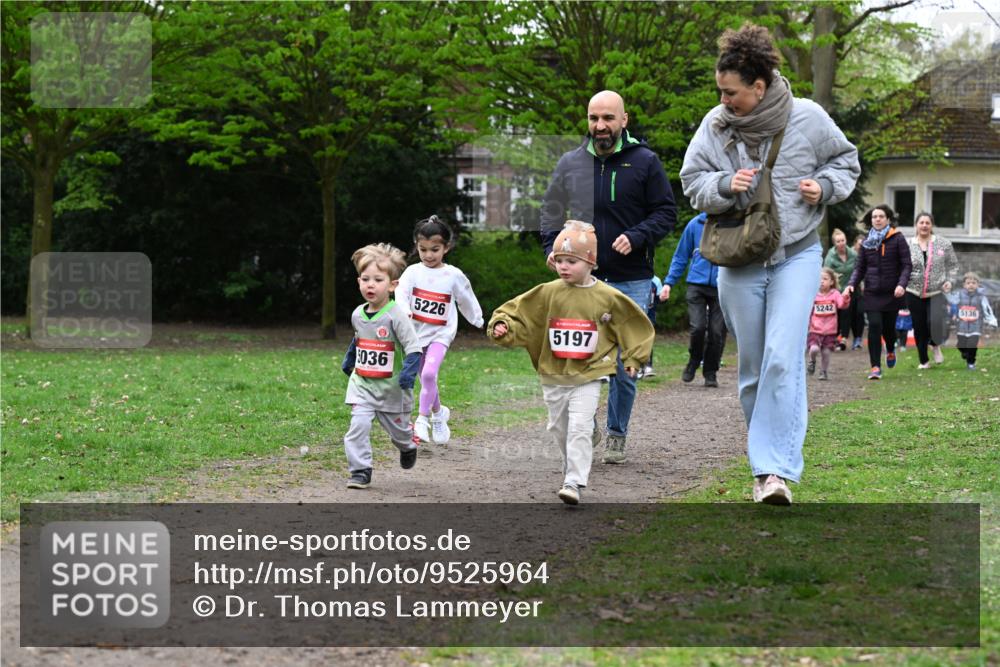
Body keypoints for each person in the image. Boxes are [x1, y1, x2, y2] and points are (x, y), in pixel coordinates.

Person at [679, 22, 860, 505]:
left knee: (784, 357)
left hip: (796, 255)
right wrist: (722, 185)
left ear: (759, 87)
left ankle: (773, 470)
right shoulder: (715, 126)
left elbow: (846, 163)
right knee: (755, 368)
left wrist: (824, 187)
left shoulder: (809, 118)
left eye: (732, 92)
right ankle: (765, 471)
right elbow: (691, 179)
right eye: (720, 91)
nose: (724, 101)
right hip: (738, 260)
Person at [540, 89, 677, 464]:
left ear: (624, 120)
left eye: (608, 118)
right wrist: (552, 247)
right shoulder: (570, 162)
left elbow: (666, 212)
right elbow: (550, 211)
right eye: (593, 118)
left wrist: (636, 236)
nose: (600, 126)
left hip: (632, 278)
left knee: (623, 364)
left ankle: (617, 432)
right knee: (574, 357)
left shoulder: (645, 161)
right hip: (582, 281)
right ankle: (586, 422)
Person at [488, 221, 654, 504]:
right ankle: (570, 467)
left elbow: (633, 323)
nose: (564, 266)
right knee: (560, 427)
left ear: (590, 262)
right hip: (553, 373)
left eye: (572, 261)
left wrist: (634, 358)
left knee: (579, 426)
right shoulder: (548, 291)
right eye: (560, 260)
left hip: (589, 373)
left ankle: (574, 481)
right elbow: (518, 313)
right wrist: (503, 326)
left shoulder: (608, 296)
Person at [395, 215, 484, 445]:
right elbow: (401, 293)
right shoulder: (413, 272)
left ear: (446, 247)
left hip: (440, 335)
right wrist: (404, 310)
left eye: (434, 249)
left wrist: (477, 319)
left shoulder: (452, 275)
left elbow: (466, 297)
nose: (428, 255)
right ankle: (438, 413)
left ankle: (423, 420)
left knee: (428, 375)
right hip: (415, 335)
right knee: (427, 379)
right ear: (417, 246)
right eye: (423, 249)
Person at [341, 243, 423, 489]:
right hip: (363, 384)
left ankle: (408, 445)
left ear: (392, 285)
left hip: (392, 390)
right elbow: (359, 339)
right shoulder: (357, 313)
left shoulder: (395, 315)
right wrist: (351, 357)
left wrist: (408, 374)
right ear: (358, 282)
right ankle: (360, 471)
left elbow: (414, 348)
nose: (370, 284)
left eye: (378, 279)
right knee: (358, 426)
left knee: (399, 435)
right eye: (365, 279)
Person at [659, 211, 727, 387]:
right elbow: (681, 256)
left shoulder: (731, 223)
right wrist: (668, 283)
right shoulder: (694, 224)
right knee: (698, 327)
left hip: (722, 286)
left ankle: (710, 372)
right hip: (696, 285)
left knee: (716, 332)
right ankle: (694, 360)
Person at [844, 205, 911, 380]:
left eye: (881, 216)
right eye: (875, 217)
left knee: (889, 329)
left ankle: (890, 348)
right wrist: (851, 284)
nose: (878, 219)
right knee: (874, 326)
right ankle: (875, 367)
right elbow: (860, 268)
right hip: (872, 292)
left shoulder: (897, 239)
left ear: (888, 219)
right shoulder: (867, 242)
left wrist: (901, 284)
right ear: (871, 220)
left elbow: (906, 265)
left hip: (892, 292)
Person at [905, 211, 960, 369]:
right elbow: (901, 267)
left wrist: (950, 281)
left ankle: (935, 344)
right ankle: (923, 361)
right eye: (921, 222)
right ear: (916, 225)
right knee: (919, 326)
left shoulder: (943, 244)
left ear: (932, 225)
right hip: (913, 291)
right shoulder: (908, 244)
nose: (924, 225)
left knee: (935, 322)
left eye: (927, 223)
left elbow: (953, 266)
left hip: (936, 291)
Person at [946, 271, 997, 370]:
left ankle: (971, 363)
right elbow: (951, 299)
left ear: (978, 285)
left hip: (976, 326)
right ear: (964, 285)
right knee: (961, 345)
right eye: (968, 283)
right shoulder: (959, 295)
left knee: (972, 345)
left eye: (974, 283)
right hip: (961, 326)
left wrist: (992, 320)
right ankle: (965, 354)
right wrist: (946, 292)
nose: (971, 285)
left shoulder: (981, 297)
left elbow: (987, 309)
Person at [823, 228, 864, 350]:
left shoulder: (853, 254)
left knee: (857, 313)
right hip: (837, 290)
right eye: (838, 241)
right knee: (840, 315)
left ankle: (851, 339)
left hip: (852, 288)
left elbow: (859, 269)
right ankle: (836, 338)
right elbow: (826, 273)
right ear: (834, 243)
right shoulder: (831, 256)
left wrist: (860, 283)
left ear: (846, 241)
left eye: (843, 240)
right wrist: (834, 277)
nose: (841, 243)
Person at [807, 268, 850, 381]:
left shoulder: (835, 294)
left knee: (826, 352)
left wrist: (845, 297)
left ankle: (823, 371)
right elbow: (808, 310)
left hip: (830, 330)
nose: (821, 281)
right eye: (819, 279)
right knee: (814, 349)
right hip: (815, 329)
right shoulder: (813, 294)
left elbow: (842, 305)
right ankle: (812, 361)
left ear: (831, 282)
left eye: (825, 279)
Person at [639, 275, 661, 379]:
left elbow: (659, 298)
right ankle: (637, 366)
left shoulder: (656, 281)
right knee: (635, 340)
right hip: (636, 316)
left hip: (650, 317)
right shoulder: (635, 278)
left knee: (648, 341)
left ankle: (647, 366)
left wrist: (663, 298)